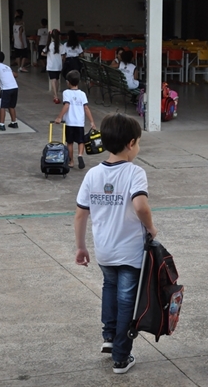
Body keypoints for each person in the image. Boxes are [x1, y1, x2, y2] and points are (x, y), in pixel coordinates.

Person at [75, 112, 157, 375]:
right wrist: (151, 227)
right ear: (131, 143)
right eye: (139, 143)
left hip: (105, 250)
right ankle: (121, 357)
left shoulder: (93, 174)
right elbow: (141, 205)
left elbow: (80, 213)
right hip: (130, 251)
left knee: (109, 289)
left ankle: (109, 337)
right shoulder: (135, 172)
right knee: (126, 301)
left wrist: (81, 246)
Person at [54, 70, 96, 169]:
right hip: (80, 122)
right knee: (81, 141)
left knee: (70, 142)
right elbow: (86, 108)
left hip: (69, 122)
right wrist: (92, 122)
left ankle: (71, 161)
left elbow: (66, 105)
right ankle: (80, 155)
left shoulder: (66, 93)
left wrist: (59, 117)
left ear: (68, 82)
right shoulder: (82, 94)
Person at [42, 29, 65, 104]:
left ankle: (55, 96)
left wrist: (48, 55)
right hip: (58, 65)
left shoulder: (49, 45)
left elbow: (43, 53)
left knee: (53, 80)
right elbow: (63, 56)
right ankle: (56, 94)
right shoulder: (61, 46)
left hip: (51, 65)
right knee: (57, 80)